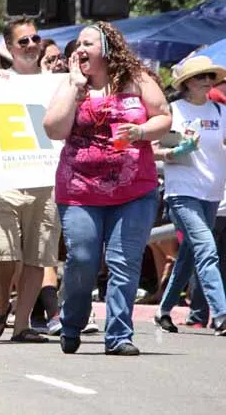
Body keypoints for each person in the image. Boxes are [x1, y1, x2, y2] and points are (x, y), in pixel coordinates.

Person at [44, 22, 171, 355]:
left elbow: (163, 116)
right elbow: (54, 130)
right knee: (83, 258)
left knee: (124, 262)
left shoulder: (137, 79)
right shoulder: (70, 85)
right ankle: (72, 322)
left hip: (133, 191)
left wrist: (141, 132)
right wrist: (75, 86)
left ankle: (118, 336)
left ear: (108, 48)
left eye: (88, 43)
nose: (80, 49)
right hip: (79, 190)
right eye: (78, 44)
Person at [0, 20, 61, 343]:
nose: (31, 45)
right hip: (5, 178)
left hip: (47, 179)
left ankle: (22, 325)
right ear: (10, 48)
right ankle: (1, 305)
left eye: (35, 38)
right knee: (3, 250)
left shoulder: (58, 84)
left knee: (37, 256)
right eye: (23, 41)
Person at [151, 56, 226, 336]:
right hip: (182, 192)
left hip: (212, 193)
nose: (207, 81)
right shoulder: (172, 111)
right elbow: (151, 149)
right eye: (200, 77)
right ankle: (221, 315)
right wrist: (174, 152)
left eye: (210, 76)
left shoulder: (220, 111)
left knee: (189, 254)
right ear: (186, 83)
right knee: (206, 248)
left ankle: (163, 310)